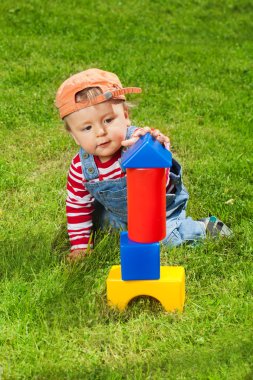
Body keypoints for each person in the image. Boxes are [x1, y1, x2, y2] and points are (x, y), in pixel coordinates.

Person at [55, 68, 232, 261]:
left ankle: (204, 228)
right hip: (123, 215)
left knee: (165, 239)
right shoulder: (81, 167)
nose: (100, 132)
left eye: (108, 120)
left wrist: (152, 144)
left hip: (161, 211)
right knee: (99, 222)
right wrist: (80, 247)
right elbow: (77, 206)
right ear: (74, 136)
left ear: (125, 115)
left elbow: (158, 156)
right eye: (87, 128)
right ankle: (124, 228)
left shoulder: (137, 141)